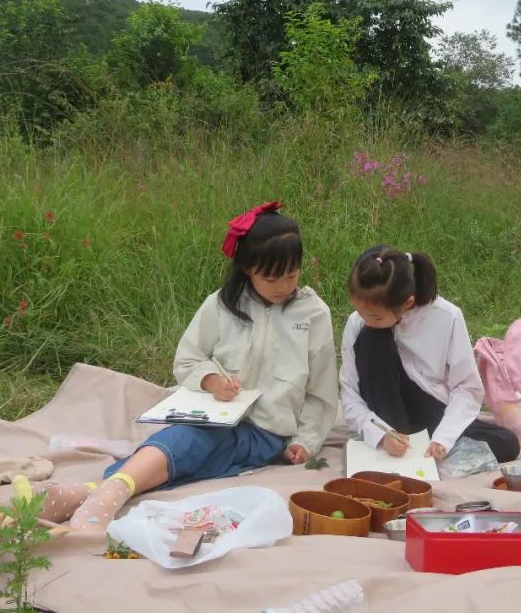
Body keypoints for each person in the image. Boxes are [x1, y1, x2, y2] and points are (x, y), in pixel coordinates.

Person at [54, 201, 339, 530]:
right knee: (196, 447)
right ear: (247, 268)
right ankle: (102, 492)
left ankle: (102, 490)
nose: (283, 286)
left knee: (190, 445)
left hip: (267, 433)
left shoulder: (314, 314)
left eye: (291, 275)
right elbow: (188, 359)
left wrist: (305, 440)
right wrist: (211, 382)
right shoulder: (222, 305)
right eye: (271, 277)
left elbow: (321, 389)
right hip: (211, 416)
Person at [339, 245, 520, 464]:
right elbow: (349, 394)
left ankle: (423, 445)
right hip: (385, 413)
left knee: (507, 443)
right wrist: (381, 434)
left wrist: (443, 439)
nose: (364, 319)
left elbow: (466, 387)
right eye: (360, 311)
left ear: (408, 303)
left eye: (375, 317)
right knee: (372, 339)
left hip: (431, 411)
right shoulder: (358, 324)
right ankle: (400, 442)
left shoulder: (447, 317)